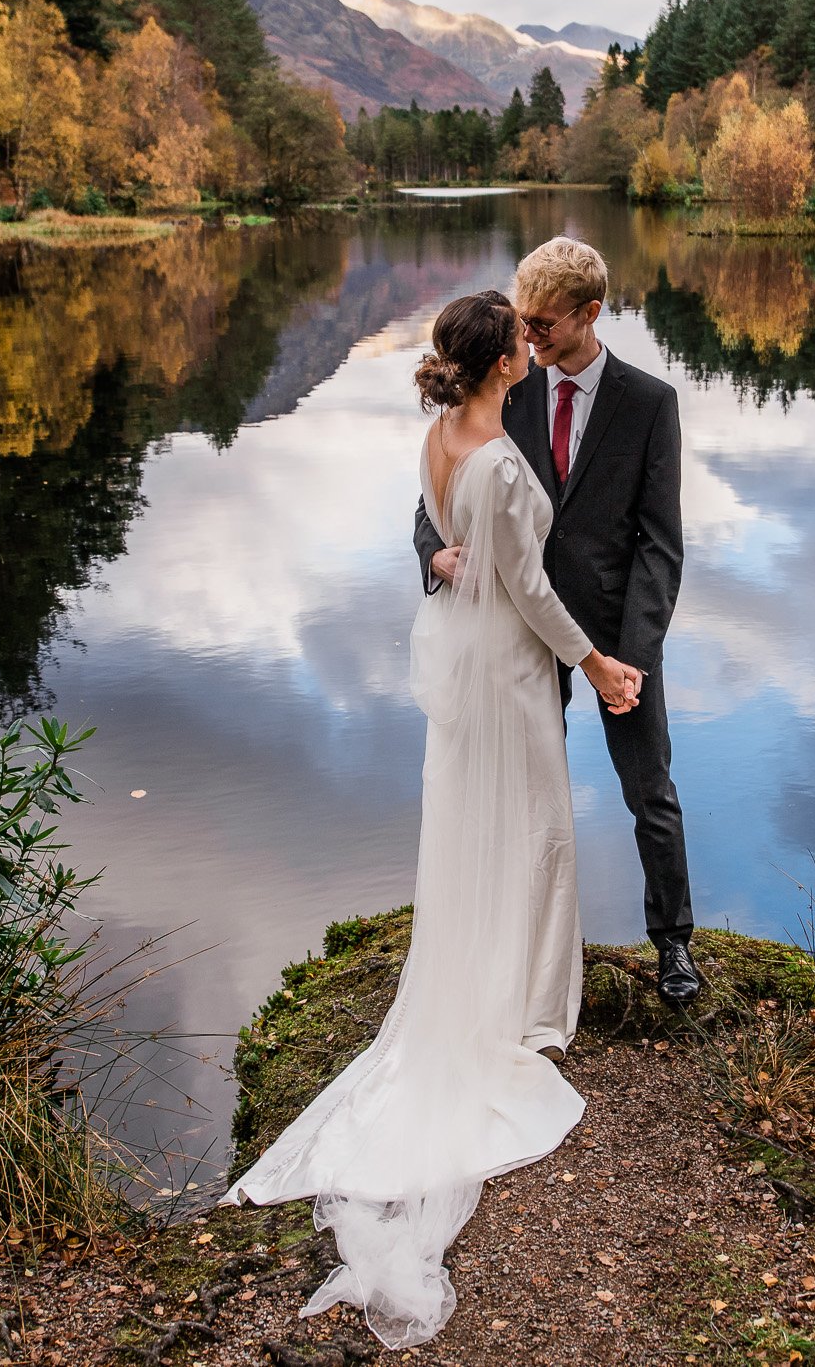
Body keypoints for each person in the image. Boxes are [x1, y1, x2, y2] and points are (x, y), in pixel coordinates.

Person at [228, 290, 646, 1349]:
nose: (532, 340)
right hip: (504, 667)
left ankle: (496, 987)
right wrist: (592, 659)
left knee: (475, 834)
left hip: (467, 662)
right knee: (538, 833)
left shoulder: (441, 431)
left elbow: (460, 545)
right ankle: (528, 1016)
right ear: (503, 359)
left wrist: (458, 563)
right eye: (521, 334)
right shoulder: (501, 459)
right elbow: (531, 585)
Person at [413, 236, 701, 1005]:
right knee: (522, 791)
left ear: (590, 313)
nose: (529, 335)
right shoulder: (509, 389)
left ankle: (673, 943)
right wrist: (433, 554)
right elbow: (439, 501)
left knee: (652, 791)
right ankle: (525, 948)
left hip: (612, 633)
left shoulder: (649, 403)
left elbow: (661, 544)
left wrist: (630, 657)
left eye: (543, 323)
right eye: (524, 325)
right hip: (519, 630)